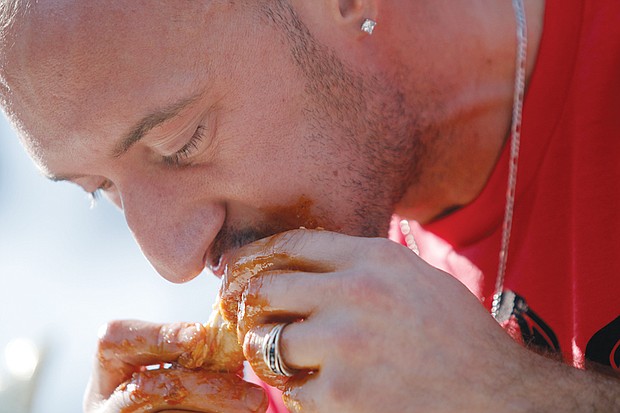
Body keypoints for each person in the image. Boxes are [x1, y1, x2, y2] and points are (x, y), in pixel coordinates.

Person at [0, 0, 618, 411]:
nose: (174, 261)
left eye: (180, 142)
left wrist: (506, 394)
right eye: (99, 190)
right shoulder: (295, 349)